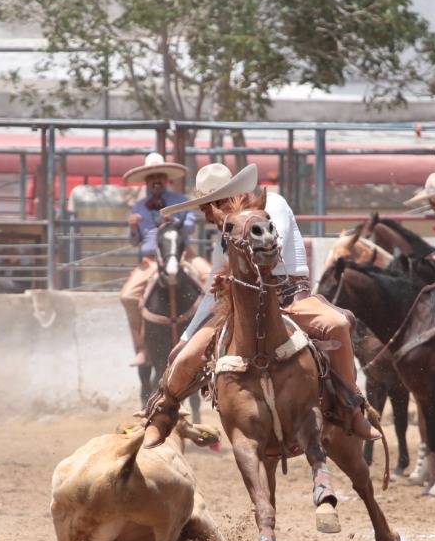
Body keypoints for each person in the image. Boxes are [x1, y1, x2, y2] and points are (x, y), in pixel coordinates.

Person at [141, 162, 380, 446]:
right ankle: (163, 413)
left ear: (225, 201)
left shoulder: (271, 205)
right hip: (241, 308)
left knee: (337, 323)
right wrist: (185, 337)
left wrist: (228, 278)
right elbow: (211, 294)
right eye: (205, 208)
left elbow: (270, 250)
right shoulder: (224, 237)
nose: (207, 216)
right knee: (184, 356)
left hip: (290, 300)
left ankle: (351, 407)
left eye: (209, 207)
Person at [120, 152, 198, 367]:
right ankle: (142, 348)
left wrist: (174, 219)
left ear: (166, 179)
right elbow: (134, 241)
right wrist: (133, 228)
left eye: (160, 176)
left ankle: (212, 342)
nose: (156, 180)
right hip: (151, 261)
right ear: (147, 181)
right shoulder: (139, 207)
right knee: (128, 296)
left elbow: (191, 226)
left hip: (182, 256)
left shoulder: (181, 201)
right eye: (151, 177)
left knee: (214, 282)